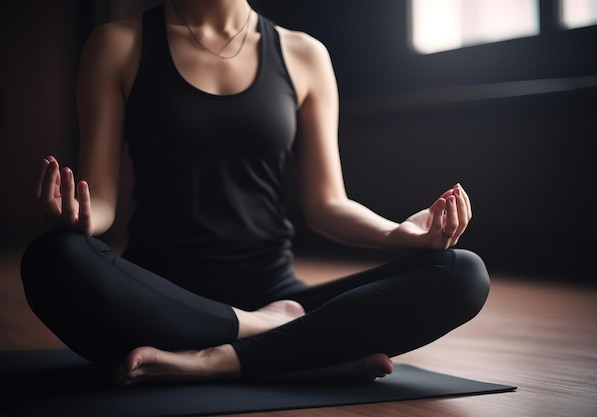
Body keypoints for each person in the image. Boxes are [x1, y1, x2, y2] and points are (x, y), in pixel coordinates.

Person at [21, 0, 490, 385]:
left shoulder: (304, 54)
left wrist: (398, 234)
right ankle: (291, 341)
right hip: (157, 294)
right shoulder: (117, 45)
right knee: (52, 258)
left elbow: (326, 203)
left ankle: (214, 359)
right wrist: (80, 218)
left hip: (277, 292)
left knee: (463, 272)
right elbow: (100, 199)